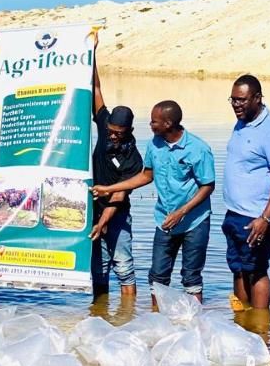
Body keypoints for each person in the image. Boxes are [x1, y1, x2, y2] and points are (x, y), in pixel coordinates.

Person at [92, 101, 215, 304]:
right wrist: (108, 188)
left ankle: (197, 327)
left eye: (153, 121)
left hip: (195, 221)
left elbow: (208, 186)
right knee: (157, 277)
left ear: (168, 124)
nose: (150, 124)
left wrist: (181, 212)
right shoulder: (154, 144)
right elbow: (146, 176)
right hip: (164, 219)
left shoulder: (198, 149)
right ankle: (155, 324)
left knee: (191, 278)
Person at [222, 74, 270, 312]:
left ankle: (262, 329)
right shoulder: (243, 121)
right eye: (233, 100)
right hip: (236, 212)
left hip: (258, 215)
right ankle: (242, 322)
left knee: (257, 270)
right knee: (239, 268)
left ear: (258, 98)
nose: (236, 105)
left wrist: (265, 218)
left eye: (241, 100)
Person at [88, 33, 143, 298]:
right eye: (110, 131)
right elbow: (96, 89)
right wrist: (92, 52)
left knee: (124, 267)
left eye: (118, 133)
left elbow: (120, 194)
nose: (112, 135)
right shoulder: (104, 123)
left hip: (117, 214)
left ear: (129, 130)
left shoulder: (133, 157)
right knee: (97, 270)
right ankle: (101, 315)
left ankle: (127, 317)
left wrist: (104, 223)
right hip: (92, 212)